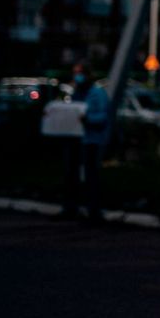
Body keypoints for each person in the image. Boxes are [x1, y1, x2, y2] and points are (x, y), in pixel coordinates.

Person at [60, 61, 112, 222]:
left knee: (91, 175)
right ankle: (71, 208)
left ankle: (93, 210)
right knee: (71, 174)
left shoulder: (97, 94)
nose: (78, 76)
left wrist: (87, 119)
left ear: (88, 75)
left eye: (80, 72)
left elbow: (103, 116)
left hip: (90, 139)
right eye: (75, 73)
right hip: (76, 138)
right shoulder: (76, 93)